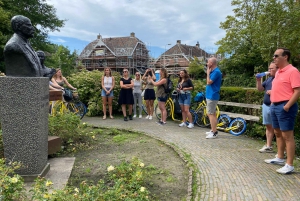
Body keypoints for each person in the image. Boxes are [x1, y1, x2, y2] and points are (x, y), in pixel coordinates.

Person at [264, 48, 300, 174]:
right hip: (275, 105)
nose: (274, 58)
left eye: (276, 55)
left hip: (285, 107)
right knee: (278, 133)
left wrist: (287, 105)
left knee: (288, 136)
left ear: (285, 57)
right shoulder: (278, 72)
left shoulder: (293, 71)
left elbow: (297, 91)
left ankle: (289, 165)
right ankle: (280, 157)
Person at [256, 62, 278, 153]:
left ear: (277, 69)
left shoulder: (279, 79)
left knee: (278, 129)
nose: (269, 71)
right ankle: (268, 146)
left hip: (275, 106)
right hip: (266, 105)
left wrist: (274, 92)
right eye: (268, 69)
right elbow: (260, 89)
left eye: (271, 69)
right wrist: (258, 80)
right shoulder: (269, 79)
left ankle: (282, 150)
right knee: (268, 126)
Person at [205, 57, 222, 139]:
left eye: (208, 62)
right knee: (211, 113)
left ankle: (214, 132)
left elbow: (208, 82)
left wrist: (208, 73)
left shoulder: (216, 72)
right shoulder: (213, 71)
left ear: (211, 63)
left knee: (211, 114)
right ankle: (212, 129)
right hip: (209, 95)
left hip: (212, 95)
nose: (207, 64)